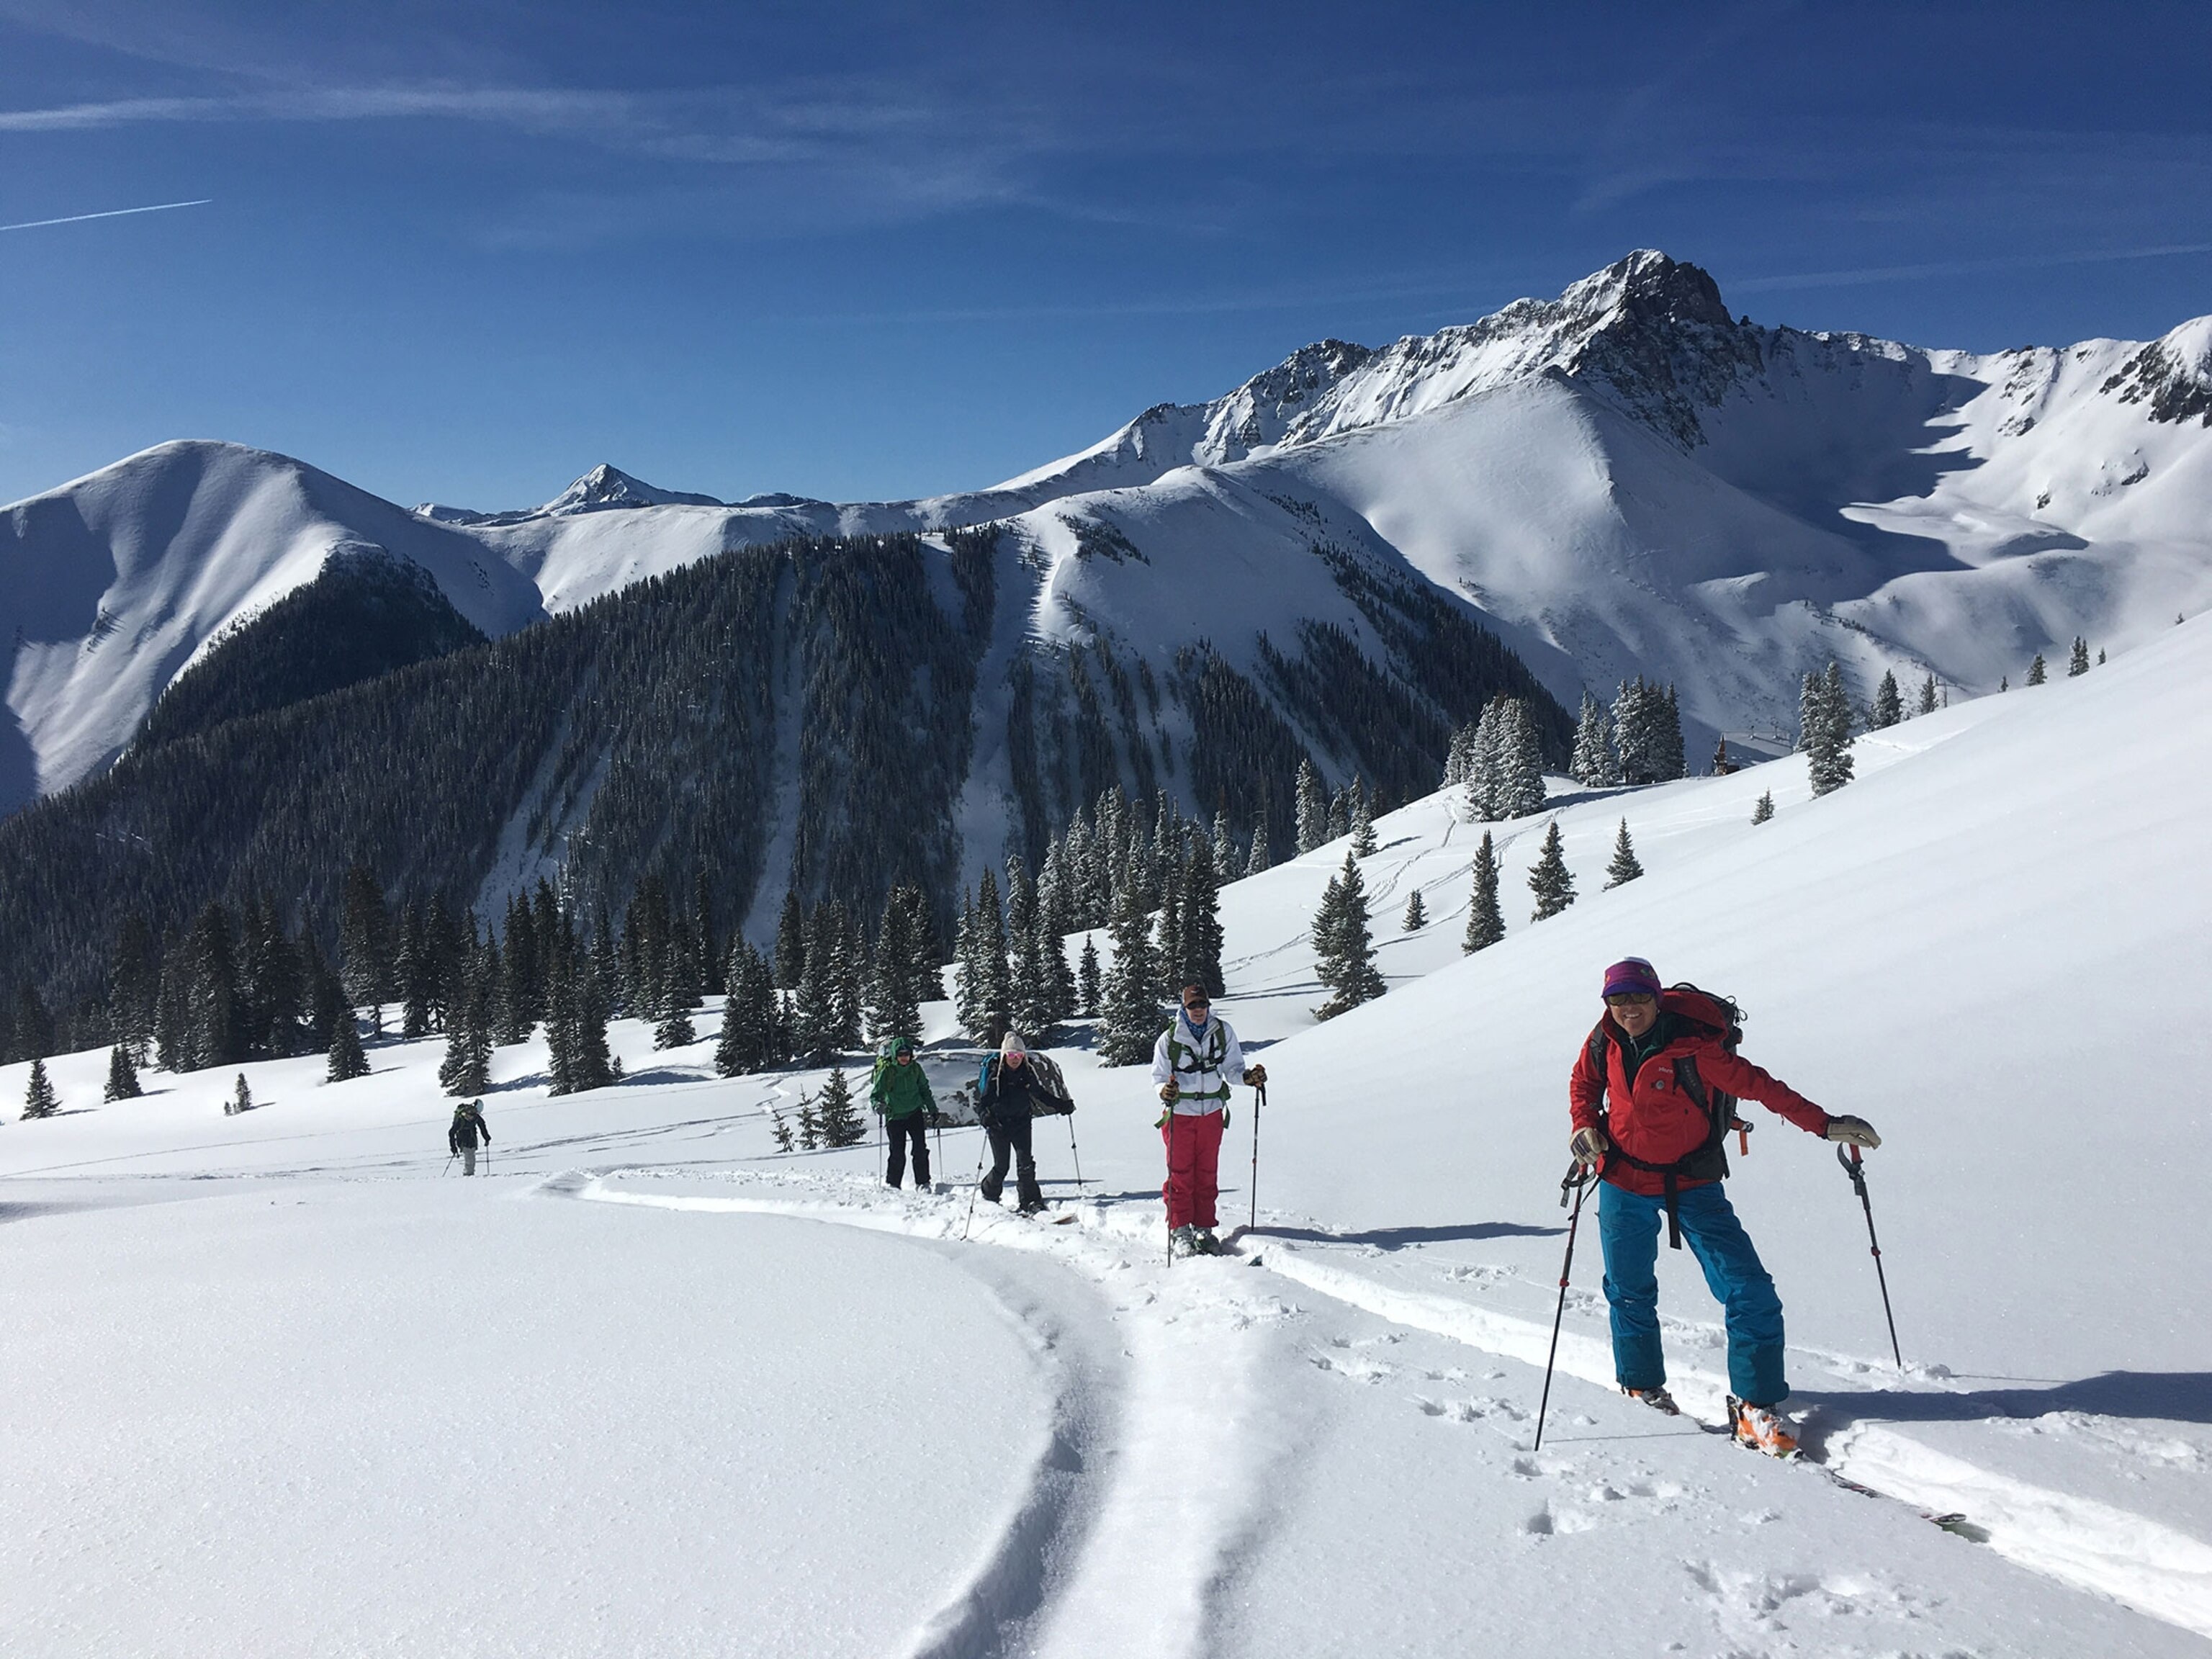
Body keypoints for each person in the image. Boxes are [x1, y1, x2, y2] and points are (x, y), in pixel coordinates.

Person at [1568, 957, 1880, 1457]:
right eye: (1618, 999)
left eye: (1639, 997)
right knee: (1629, 1292)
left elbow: (1762, 1087)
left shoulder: (1696, 1051)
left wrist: (1824, 1125)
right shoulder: (1603, 1039)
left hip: (1692, 1182)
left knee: (1749, 1288)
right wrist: (1584, 1125)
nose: (1629, 1009)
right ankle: (1641, 1386)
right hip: (1622, 1180)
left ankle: (1755, 1405)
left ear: (1657, 997)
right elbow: (1584, 1085)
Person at [1151, 983, 1267, 1256]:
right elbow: (1158, 1076)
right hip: (1179, 1114)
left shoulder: (1223, 1032)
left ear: (1208, 1005)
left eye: (1202, 1004)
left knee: (1206, 1173)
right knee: (1179, 1175)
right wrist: (1164, 1091)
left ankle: (1204, 1227)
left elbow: (1233, 1069)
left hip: (1212, 1113)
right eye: (1192, 1006)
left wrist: (1248, 1078)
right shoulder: (1169, 1038)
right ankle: (1180, 1230)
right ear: (1184, 1007)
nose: (1198, 1010)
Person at [976, 1031, 1071, 1215]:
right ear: (1005, 1055)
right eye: (1011, 1055)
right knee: (1002, 1166)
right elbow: (984, 1102)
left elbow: (1040, 1094)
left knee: (1025, 1163)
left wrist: (1062, 1105)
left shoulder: (1027, 1074)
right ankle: (989, 1193)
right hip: (999, 1125)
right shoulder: (996, 1076)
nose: (1015, 1059)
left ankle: (1031, 1201)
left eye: (1019, 1055)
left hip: (1022, 1123)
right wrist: (985, 1116)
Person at [871, 1036, 935, 1192]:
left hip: (915, 1112)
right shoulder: (887, 1071)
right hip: (895, 1116)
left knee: (920, 1149)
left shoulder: (915, 1069)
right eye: (901, 1055)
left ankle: (923, 1182)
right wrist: (877, 1105)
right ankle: (894, 1184)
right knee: (897, 1152)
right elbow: (876, 1094)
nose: (904, 1058)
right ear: (895, 1055)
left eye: (907, 1054)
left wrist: (933, 1110)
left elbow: (924, 1090)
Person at [449, 1099, 491, 1176]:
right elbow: (452, 1132)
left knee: (471, 1158)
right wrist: (453, 1147)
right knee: (469, 1158)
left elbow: (482, 1126)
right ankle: (468, 1176)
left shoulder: (475, 1116)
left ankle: (469, 1175)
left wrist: (487, 1138)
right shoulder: (463, 1119)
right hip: (463, 1140)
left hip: (472, 1139)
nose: (471, 1117)